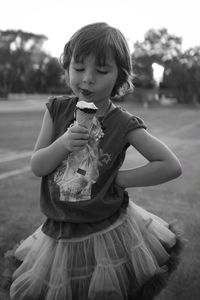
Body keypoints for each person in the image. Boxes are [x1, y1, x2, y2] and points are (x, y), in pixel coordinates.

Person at [8, 22, 183, 300]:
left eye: (101, 71)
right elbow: (38, 166)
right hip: (58, 232)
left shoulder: (123, 123)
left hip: (108, 231)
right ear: (67, 69)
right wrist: (63, 143)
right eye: (78, 68)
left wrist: (118, 179)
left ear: (119, 77)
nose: (88, 79)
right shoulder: (56, 110)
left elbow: (170, 165)